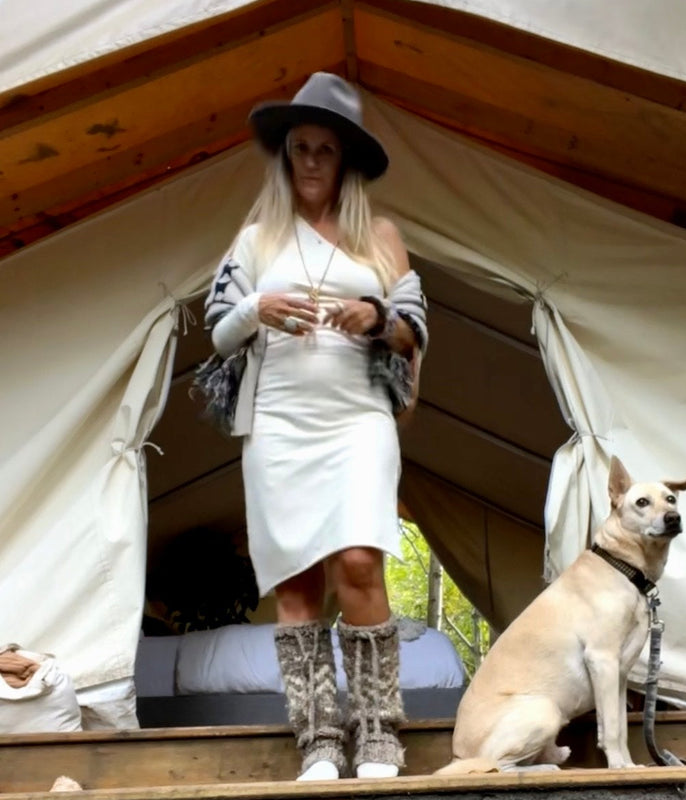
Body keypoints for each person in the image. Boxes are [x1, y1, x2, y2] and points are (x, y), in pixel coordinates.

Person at [203, 72, 427, 781]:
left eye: (324, 150)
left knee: (359, 562)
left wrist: (378, 318)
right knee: (295, 583)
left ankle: (379, 731)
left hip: (357, 419)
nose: (309, 162)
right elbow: (216, 332)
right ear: (284, 154)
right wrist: (256, 311)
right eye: (299, 147)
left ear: (346, 160)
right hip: (278, 422)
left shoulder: (382, 238)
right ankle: (320, 739)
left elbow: (414, 332)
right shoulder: (254, 239)